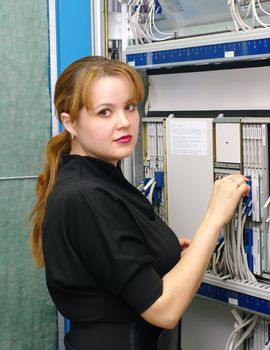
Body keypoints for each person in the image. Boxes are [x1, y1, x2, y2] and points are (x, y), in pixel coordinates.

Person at [29, 56, 249, 350]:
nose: (125, 122)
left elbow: (113, 266)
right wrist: (214, 217)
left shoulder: (101, 177)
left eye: (130, 107)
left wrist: (166, 253)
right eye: (104, 112)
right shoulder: (86, 195)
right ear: (69, 122)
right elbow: (164, 311)